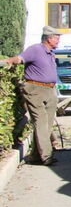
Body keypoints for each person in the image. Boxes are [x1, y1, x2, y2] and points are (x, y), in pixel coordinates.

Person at [2, 26, 62, 166]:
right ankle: (47, 156)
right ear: (48, 38)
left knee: (47, 124)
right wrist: (8, 61)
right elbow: (20, 58)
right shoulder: (35, 49)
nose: (58, 40)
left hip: (50, 90)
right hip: (35, 89)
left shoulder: (50, 53)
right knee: (41, 122)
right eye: (56, 37)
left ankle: (36, 156)